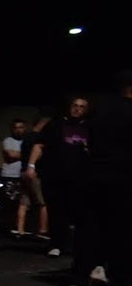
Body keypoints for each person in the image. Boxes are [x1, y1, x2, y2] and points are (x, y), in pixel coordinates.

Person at [67, 71, 132, 286]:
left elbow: (86, 140)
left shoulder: (100, 109)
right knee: (121, 229)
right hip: (123, 176)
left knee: (89, 226)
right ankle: (120, 279)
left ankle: (79, 276)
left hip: (94, 173)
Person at [24, 96, 90, 257]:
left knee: (78, 211)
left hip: (79, 177)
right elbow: (39, 145)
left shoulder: (89, 127)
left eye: (81, 107)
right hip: (55, 175)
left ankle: (78, 246)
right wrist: (31, 166)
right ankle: (57, 244)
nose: (77, 109)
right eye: (75, 105)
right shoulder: (56, 124)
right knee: (56, 211)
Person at [16, 116, 51, 239]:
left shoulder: (26, 138)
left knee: (24, 202)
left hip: (23, 171)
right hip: (34, 173)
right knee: (43, 202)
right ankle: (42, 230)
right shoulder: (39, 139)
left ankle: (20, 229)